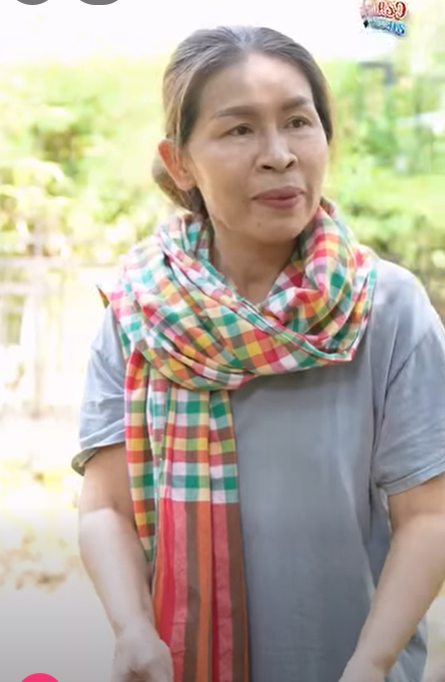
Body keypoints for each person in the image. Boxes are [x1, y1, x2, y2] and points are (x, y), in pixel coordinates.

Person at [71, 25, 445, 682]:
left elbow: (429, 515)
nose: (279, 155)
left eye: (298, 122)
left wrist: (371, 662)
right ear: (179, 162)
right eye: (239, 129)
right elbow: (106, 508)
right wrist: (132, 630)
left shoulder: (385, 306)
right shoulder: (139, 312)